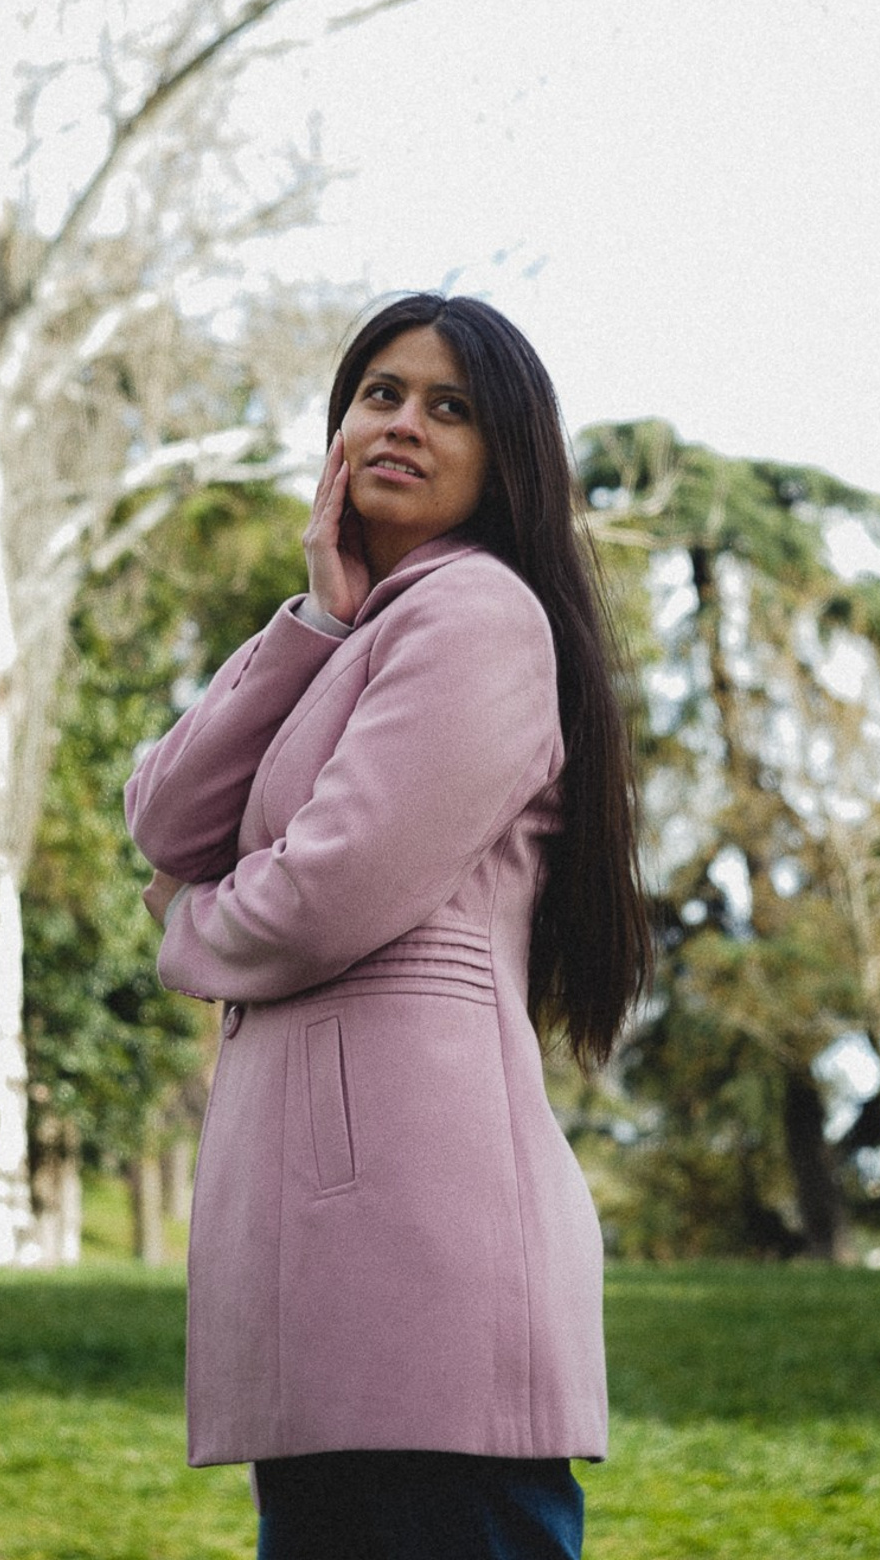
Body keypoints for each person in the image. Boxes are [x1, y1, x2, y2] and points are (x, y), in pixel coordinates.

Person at [125, 293, 653, 1560]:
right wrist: (313, 620)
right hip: (328, 1255)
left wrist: (186, 931)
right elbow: (165, 815)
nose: (402, 424)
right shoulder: (364, 626)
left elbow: (324, 893)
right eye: (379, 393)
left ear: (505, 453)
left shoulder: (476, 616)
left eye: (449, 406)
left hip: (418, 1244)